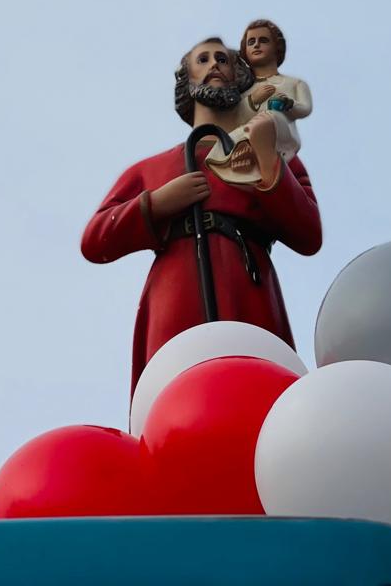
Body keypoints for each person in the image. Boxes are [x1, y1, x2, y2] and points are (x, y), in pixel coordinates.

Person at [81, 37, 323, 395]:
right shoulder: (151, 169)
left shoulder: (274, 153)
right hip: (176, 292)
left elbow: (308, 233)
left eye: (223, 60)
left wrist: (267, 162)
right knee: (175, 388)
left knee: (258, 385)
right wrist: (159, 202)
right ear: (187, 80)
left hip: (247, 285)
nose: (215, 65)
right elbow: (95, 239)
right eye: (204, 59)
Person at [239, 19, 312, 163]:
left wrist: (289, 104)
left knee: (271, 117)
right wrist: (253, 100)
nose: (256, 45)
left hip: (283, 143)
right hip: (247, 146)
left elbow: (305, 109)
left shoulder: (295, 83)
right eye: (251, 42)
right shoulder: (243, 90)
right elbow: (236, 115)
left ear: (277, 47)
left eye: (263, 40)